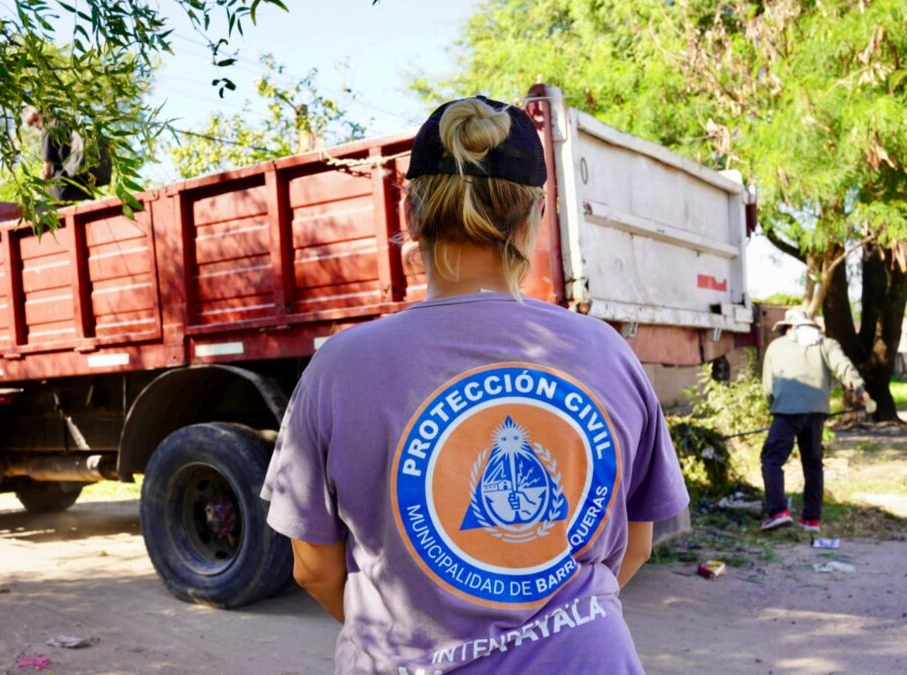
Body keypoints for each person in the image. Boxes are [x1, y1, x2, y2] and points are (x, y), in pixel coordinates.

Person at [261, 97, 689, 673]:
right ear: (534, 216)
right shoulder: (606, 351)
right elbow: (636, 545)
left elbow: (312, 568)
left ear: (409, 213)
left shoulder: (338, 368)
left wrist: (408, 641)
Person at [760, 307, 868, 532]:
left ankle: (778, 511)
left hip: (786, 411)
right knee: (812, 464)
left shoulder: (776, 347)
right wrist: (859, 388)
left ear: (788, 327)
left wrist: (774, 405)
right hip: (817, 411)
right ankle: (811, 519)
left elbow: (768, 386)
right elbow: (844, 368)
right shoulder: (827, 344)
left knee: (772, 459)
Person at [21, 106, 108, 203]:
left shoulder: (49, 129)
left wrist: (37, 190)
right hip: (84, 191)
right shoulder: (70, 123)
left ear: (47, 111)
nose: (35, 125)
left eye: (36, 119)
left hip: (62, 192)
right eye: (31, 124)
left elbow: (47, 170)